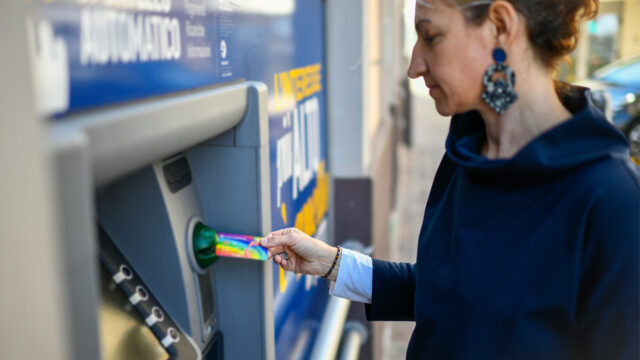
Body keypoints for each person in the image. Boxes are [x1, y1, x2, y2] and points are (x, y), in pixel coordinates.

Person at [259, 0, 640, 358]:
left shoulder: (609, 199)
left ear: (500, 27)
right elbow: (451, 294)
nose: (414, 65)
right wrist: (332, 263)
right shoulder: (468, 152)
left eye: (430, 36)